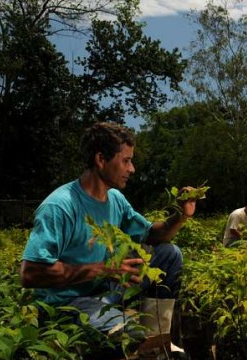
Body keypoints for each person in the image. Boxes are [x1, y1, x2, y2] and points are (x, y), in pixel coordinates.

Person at [20, 122, 196, 347]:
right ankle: (139, 339)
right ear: (101, 159)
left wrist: (181, 215)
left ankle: (158, 340)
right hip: (68, 304)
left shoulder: (115, 199)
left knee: (170, 254)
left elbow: (153, 235)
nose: (131, 169)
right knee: (130, 334)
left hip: (106, 290)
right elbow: (30, 274)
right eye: (126, 161)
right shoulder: (60, 206)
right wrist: (105, 269)